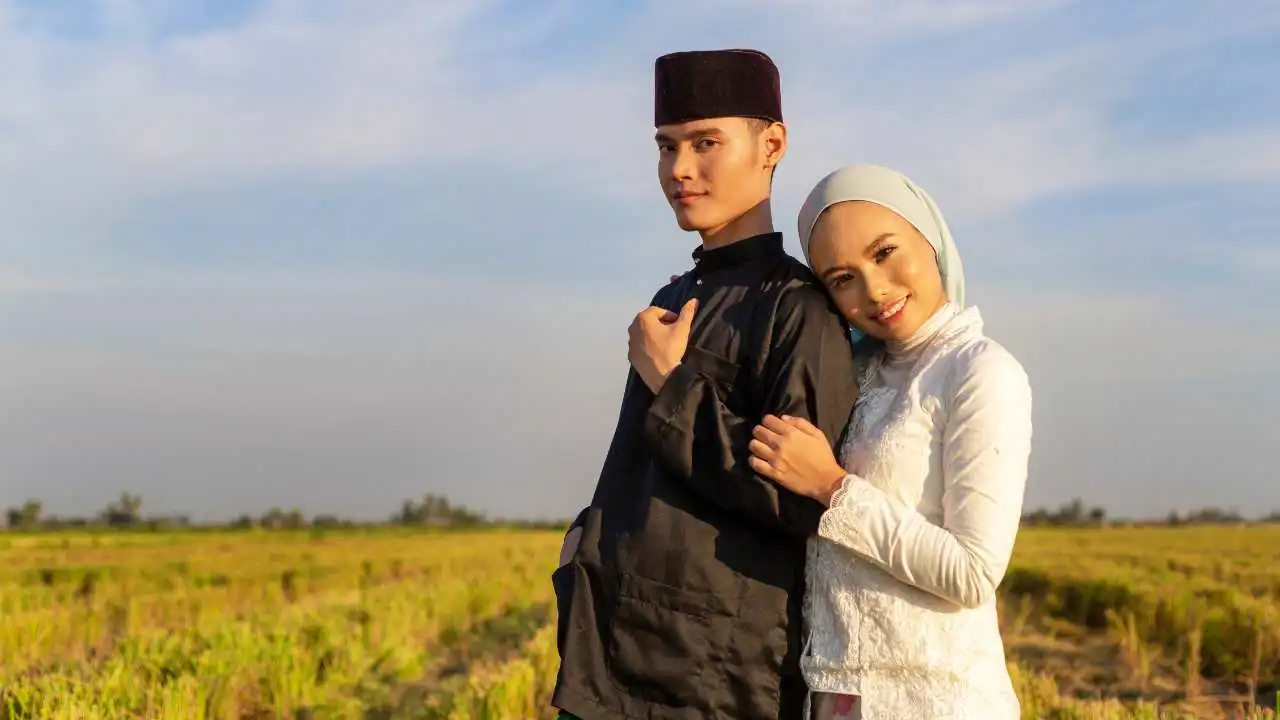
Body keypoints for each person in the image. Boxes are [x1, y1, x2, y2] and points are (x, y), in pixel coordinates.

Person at [550, 49, 860, 720]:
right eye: (666, 147)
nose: (679, 170)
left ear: (772, 144)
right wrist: (585, 544)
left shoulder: (797, 310)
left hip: (711, 677)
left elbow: (794, 499)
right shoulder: (674, 295)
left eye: (705, 143)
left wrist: (672, 383)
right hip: (607, 657)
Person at [744, 163, 1033, 719]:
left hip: (934, 700)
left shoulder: (979, 371)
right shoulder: (854, 376)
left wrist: (831, 487)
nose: (874, 291)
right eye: (842, 278)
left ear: (931, 238)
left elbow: (972, 573)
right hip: (834, 697)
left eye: (883, 253)